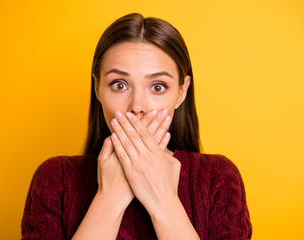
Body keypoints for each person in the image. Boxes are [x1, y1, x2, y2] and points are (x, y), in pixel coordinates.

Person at [21, 13, 252, 240]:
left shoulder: (219, 178)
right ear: (97, 88)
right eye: (119, 85)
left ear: (182, 92)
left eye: (158, 87)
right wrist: (109, 197)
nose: (137, 106)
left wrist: (162, 198)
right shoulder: (56, 179)